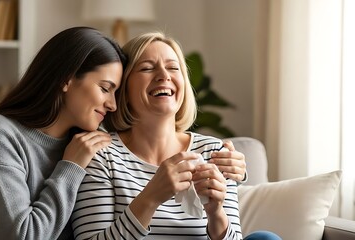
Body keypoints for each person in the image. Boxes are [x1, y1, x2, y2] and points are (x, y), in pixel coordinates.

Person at [71, 32, 280, 240]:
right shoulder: (102, 155)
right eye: (147, 68)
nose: (164, 75)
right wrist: (151, 196)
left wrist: (216, 213)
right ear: (123, 89)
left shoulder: (214, 153)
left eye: (173, 67)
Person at [0, 26, 127, 240]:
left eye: (116, 92)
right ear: (67, 79)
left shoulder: (87, 145)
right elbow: (24, 237)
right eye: (104, 88)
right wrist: (71, 168)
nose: (112, 105)